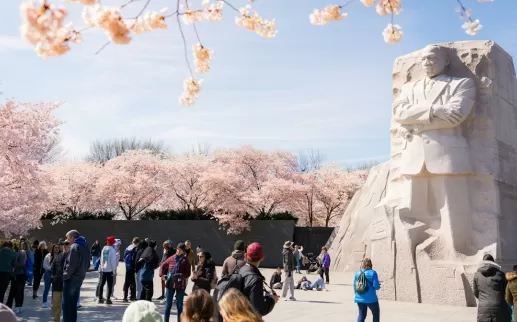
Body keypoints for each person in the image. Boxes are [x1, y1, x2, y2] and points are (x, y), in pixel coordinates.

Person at [236, 242, 278, 316]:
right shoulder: (256, 279)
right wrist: (272, 300)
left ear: (245, 255)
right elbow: (259, 310)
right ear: (262, 258)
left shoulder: (240, 270)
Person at [473, 254, 511, 322]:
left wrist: (483, 299)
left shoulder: (477, 275)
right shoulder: (501, 274)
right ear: (493, 262)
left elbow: (475, 292)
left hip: (483, 306)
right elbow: (506, 291)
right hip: (499, 306)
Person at [62, 230, 89, 322]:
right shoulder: (84, 246)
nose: (67, 240)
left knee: (66, 305)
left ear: (73, 237)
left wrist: (64, 276)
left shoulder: (74, 247)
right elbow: (88, 264)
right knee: (73, 304)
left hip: (71, 278)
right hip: (79, 278)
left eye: (68, 238)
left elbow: (71, 264)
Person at [160, 243, 191, 322]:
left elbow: (188, 273)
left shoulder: (185, 260)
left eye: (180, 249)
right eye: (177, 249)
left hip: (180, 285)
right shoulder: (171, 258)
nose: (177, 251)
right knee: (168, 306)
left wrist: (181, 275)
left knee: (179, 306)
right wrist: (161, 274)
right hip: (170, 283)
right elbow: (162, 265)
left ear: (183, 251)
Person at [353, 258, 381, 322]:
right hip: (371, 299)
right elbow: (376, 286)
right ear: (370, 264)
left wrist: (357, 294)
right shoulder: (373, 273)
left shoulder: (357, 273)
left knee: (361, 315)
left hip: (359, 298)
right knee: (375, 314)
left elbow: (354, 286)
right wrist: (379, 285)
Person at [6, 241, 28, 314]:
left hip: (20, 274)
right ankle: (12, 306)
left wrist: (14, 264)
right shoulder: (17, 253)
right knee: (15, 290)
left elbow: (22, 263)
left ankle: (18, 306)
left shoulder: (22, 253)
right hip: (16, 274)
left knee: (18, 290)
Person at [99, 236, 118, 305]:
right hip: (109, 270)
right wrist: (114, 271)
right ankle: (108, 299)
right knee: (110, 285)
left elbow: (101, 259)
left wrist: (101, 268)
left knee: (102, 284)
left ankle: (100, 298)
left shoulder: (104, 249)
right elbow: (113, 262)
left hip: (103, 269)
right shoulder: (112, 250)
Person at [51, 241, 67, 322]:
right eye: (64, 245)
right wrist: (53, 277)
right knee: (56, 305)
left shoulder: (71, 256)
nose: (64, 247)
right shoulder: (58, 257)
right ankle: (56, 320)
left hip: (66, 284)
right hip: (57, 283)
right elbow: (53, 268)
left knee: (66, 305)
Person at [123, 237, 140, 303]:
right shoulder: (135, 249)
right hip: (132, 267)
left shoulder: (128, 248)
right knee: (133, 282)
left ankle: (125, 296)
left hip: (127, 267)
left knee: (127, 282)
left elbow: (124, 258)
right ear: (137, 242)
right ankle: (132, 296)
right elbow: (135, 259)